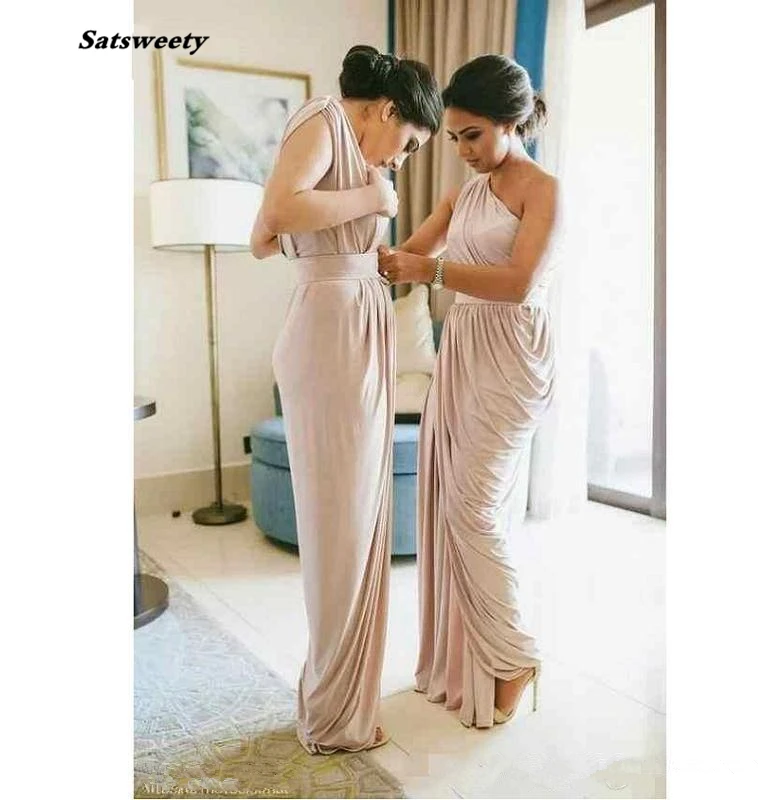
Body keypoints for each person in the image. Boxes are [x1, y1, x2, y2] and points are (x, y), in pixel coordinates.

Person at [250, 45, 441, 754]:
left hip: (348, 323)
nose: (402, 162)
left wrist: (355, 250)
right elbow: (276, 213)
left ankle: (337, 701)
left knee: (354, 519)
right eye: (410, 143)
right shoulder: (323, 120)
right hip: (332, 335)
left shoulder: (340, 143)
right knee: (340, 525)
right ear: (387, 110)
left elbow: (264, 239)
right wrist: (371, 201)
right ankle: (333, 713)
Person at [377, 54, 558, 729]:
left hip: (512, 354)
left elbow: (517, 283)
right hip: (464, 348)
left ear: (512, 121)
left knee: (472, 508)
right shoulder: (462, 194)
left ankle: (514, 656)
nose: (462, 150)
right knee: (452, 504)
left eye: (473, 135)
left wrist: (431, 270)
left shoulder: (544, 190)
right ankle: (476, 658)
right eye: (453, 137)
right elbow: (404, 258)